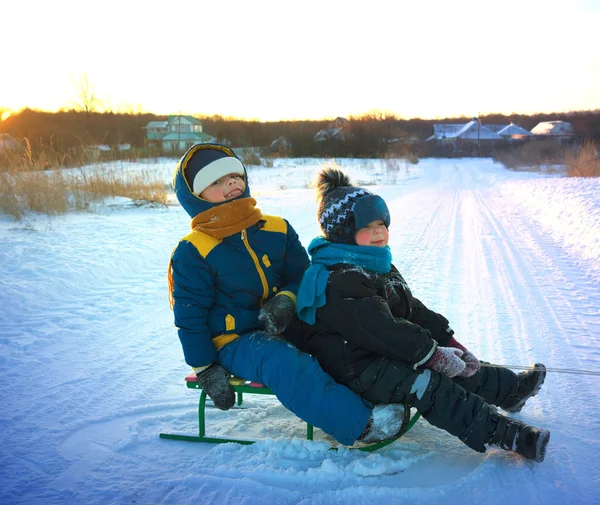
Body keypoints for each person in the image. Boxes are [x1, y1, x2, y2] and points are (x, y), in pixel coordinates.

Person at [286, 166, 550, 462]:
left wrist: (451, 344)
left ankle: (510, 391)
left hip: (377, 354)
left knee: (458, 364)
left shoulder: (375, 264)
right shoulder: (338, 279)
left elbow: (413, 311)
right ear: (343, 233)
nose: (378, 233)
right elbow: (384, 330)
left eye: (382, 224)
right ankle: (503, 433)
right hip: (354, 368)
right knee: (428, 383)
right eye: (367, 227)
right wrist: (432, 355)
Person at [167, 143, 408, 446]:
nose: (230, 183)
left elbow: (301, 275)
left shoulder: (275, 228)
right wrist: (205, 367)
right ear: (195, 195)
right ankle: (359, 424)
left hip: (282, 322)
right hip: (232, 341)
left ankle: (380, 389)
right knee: (283, 360)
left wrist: (287, 300)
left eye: (233, 175)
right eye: (215, 181)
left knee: (337, 335)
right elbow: (189, 316)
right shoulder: (194, 250)